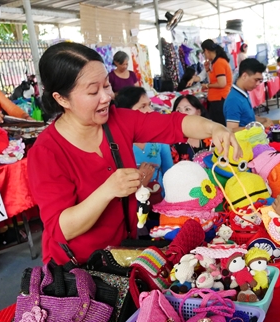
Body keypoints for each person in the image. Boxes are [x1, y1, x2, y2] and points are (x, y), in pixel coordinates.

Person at [27, 42, 240, 265]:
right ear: (61, 99)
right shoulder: (46, 152)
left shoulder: (117, 120)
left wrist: (215, 128)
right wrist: (108, 190)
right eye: (93, 91)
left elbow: (174, 124)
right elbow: (63, 228)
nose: (106, 97)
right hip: (77, 270)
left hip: (122, 253)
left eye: (107, 86)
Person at [115, 86, 173, 190]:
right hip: (133, 202)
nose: (150, 111)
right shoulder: (117, 144)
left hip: (161, 199)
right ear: (125, 113)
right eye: (143, 106)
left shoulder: (159, 137)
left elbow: (170, 173)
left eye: (150, 105)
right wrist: (142, 180)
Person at [187, 39, 233, 125]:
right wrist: (196, 78)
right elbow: (207, 76)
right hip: (216, 99)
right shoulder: (214, 62)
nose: (204, 55)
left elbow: (222, 83)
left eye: (203, 53)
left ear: (206, 51)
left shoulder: (219, 63)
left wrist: (207, 85)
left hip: (220, 99)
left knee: (220, 125)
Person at [224, 58, 273, 131]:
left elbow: (248, 117)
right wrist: (260, 127)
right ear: (244, 76)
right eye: (256, 80)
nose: (258, 84)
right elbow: (232, 130)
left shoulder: (243, 93)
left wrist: (263, 120)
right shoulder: (234, 100)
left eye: (260, 81)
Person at [171, 95, 211, 162]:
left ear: (198, 112)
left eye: (187, 109)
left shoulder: (210, 133)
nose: (182, 114)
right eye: (178, 111)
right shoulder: (172, 141)